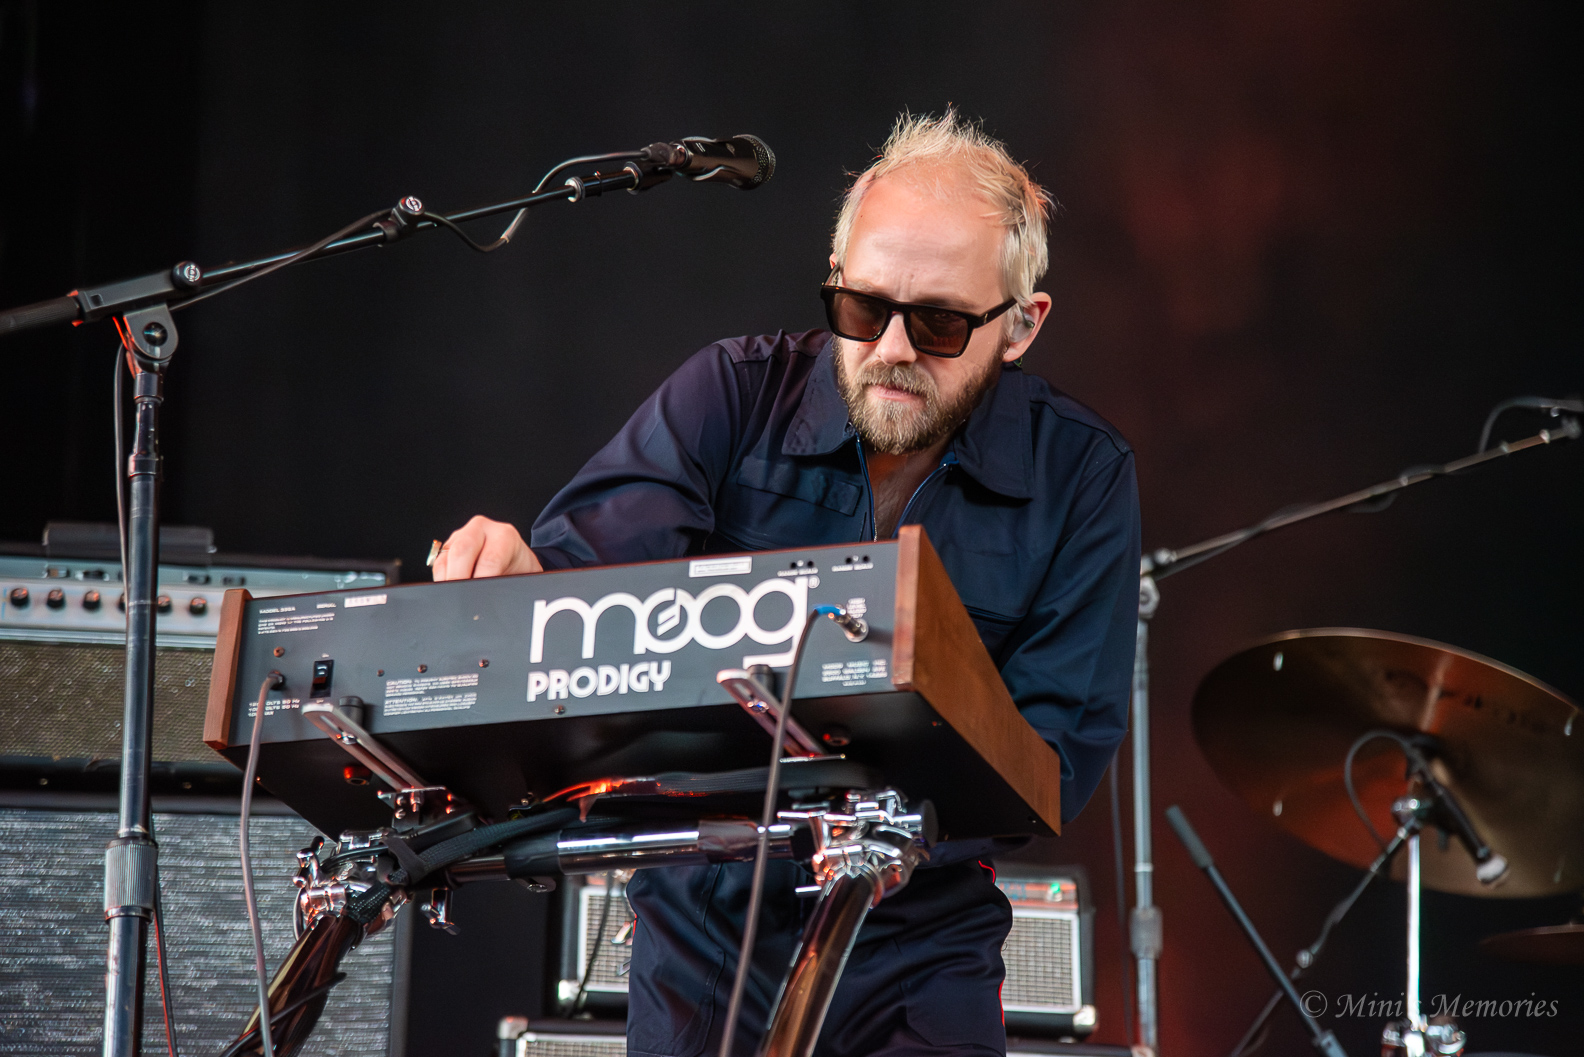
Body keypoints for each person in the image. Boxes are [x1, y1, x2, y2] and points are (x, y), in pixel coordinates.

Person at [433, 110, 1140, 1057]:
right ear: (836, 279)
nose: (892, 349)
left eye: (938, 322)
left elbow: (1051, 761)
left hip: (919, 939)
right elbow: (584, 600)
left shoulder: (1083, 475)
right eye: (864, 309)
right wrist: (521, 584)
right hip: (704, 925)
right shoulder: (727, 394)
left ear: (1020, 325)